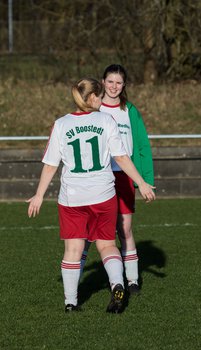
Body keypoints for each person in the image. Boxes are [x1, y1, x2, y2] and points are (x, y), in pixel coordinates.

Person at [27, 78, 155, 314]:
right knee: (107, 245)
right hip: (103, 194)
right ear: (94, 97)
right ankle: (117, 284)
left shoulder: (61, 124)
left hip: (72, 198)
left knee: (73, 251)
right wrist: (142, 182)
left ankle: (70, 302)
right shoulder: (106, 120)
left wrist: (38, 195)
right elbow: (121, 158)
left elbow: (50, 165)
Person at [80, 65, 154, 294]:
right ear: (102, 82)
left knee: (125, 230)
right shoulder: (94, 108)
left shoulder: (129, 110)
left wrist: (145, 179)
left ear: (124, 85)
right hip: (98, 176)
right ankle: (77, 283)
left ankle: (131, 281)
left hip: (124, 177)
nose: (114, 86)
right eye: (110, 81)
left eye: (118, 82)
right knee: (87, 232)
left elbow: (142, 145)